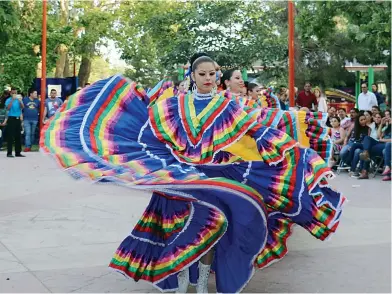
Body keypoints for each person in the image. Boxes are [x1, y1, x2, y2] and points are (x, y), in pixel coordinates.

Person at [41, 56, 345, 293]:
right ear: (193, 76)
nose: (209, 79)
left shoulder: (229, 106)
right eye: (203, 74)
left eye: (213, 74)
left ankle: (201, 283)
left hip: (215, 177)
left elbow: (259, 125)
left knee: (215, 226)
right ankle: (184, 278)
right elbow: (150, 128)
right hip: (179, 177)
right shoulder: (174, 105)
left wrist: (300, 149)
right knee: (177, 228)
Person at [5, 88, 25, 158]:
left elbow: (22, 107)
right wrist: (12, 100)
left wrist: (20, 101)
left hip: (17, 119)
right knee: (10, 136)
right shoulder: (8, 100)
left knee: (18, 136)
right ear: (10, 94)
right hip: (11, 118)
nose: (14, 94)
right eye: (13, 93)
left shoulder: (18, 100)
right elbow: (8, 108)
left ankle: (18, 152)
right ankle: (9, 153)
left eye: (15, 93)